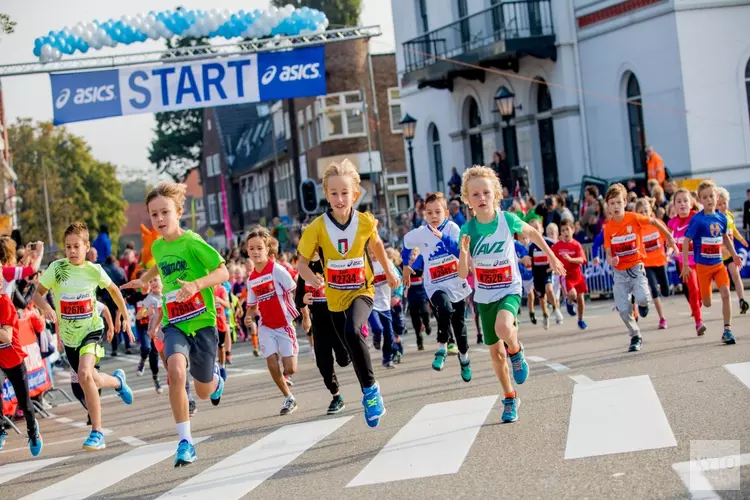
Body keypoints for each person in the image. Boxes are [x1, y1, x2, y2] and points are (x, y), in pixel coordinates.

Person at [122, 182, 228, 467]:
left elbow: (223, 270)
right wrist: (145, 279)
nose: (159, 220)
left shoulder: (193, 242)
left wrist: (196, 284)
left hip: (202, 322)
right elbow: (160, 261)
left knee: (204, 390)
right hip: (175, 323)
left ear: (179, 212)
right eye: (154, 214)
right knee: (176, 371)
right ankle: (185, 442)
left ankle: (216, 381)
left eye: (165, 212)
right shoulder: (157, 245)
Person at [458, 165, 564, 423]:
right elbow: (462, 273)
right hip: (484, 296)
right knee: (495, 354)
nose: (481, 198)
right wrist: (463, 253)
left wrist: (551, 257)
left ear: (496, 194)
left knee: (505, 327)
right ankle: (509, 396)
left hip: (508, 288)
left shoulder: (507, 220)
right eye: (475, 195)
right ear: (467, 200)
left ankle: (516, 351)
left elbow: (534, 234)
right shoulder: (467, 231)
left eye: (486, 192)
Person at [297, 159, 396, 428]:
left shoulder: (364, 222)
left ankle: (371, 392)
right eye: (333, 193)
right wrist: (313, 279)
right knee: (346, 353)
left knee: (353, 332)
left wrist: (390, 270)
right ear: (326, 195)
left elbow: (376, 245)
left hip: (362, 291)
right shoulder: (317, 227)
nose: (339, 199)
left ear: (354, 194)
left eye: (345, 193)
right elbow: (302, 264)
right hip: (334, 299)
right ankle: (365, 376)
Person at [32, 222, 134, 451]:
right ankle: (118, 381)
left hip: (92, 330)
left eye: (76, 246)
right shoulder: (57, 269)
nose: (72, 251)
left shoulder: (93, 270)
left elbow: (114, 291)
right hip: (70, 338)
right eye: (68, 247)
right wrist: (45, 307)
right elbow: (36, 295)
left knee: (85, 373)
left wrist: (124, 317)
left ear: (87, 246)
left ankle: (97, 432)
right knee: (91, 379)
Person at [401, 192, 472, 380]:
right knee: (445, 309)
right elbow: (406, 244)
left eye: (437, 212)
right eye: (429, 212)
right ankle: (441, 347)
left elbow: (459, 251)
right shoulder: (421, 232)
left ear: (446, 213)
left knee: (460, 327)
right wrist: (405, 265)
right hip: (435, 284)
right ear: (425, 214)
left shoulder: (453, 228)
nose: (433, 216)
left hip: (456, 282)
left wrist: (442, 237)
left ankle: (464, 359)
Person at [603, 184, 677, 352]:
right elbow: (608, 252)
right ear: (608, 206)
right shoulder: (608, 228)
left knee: (642, 298)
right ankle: (635, 335)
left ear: (625, 202)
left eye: (619, 203)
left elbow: (654, 222)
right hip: (620, 273)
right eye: (612, 203)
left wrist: (669, 238)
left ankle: (644, 304)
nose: (616, 206)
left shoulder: (634, 218)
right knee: (623, 309)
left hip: (636, 268)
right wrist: (611, 259)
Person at [243, 226, 300, 416]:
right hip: (266, 326)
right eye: (251, 248)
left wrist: (305, 315)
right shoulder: (252, 279)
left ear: (267, 249)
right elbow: (252, 306)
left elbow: (294, 289)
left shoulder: (277, 270)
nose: (255, 252)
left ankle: (290, 361)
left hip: (284, 325)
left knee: (290, 367)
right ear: (247, 250)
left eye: (259, 248)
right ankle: (288, 397)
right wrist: (249, 316)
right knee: (271, 363)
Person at [682, 181, 741, 344]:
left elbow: (725, 238)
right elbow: (687, 240)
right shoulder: (698, 220)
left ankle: (727, 329)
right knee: (707, 303)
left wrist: (734, 255)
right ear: (700, 200)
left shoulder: (721, 217)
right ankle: (703, 298)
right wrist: (686, 264)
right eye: (705, 197)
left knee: (726, 293)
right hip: (703, 267)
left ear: (717, 197)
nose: (709, 200)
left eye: (711, 196)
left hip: (719, 265)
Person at [0, 240, 42, 456]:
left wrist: (36, 255)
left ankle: (33, 430)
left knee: (25, 404)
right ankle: (0, 430)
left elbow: (6, 335)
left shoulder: (5, 303)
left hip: (13, 356)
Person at [296, 249, 350, 415]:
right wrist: (303, 300)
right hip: (319, 323)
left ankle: (349, 353)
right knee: (323, 363)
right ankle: (336, 396)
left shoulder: (333, 261)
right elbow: (298, 297)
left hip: (338, 319)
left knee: (343, 360)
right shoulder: (304, 268)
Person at [668, 188, 705, 335]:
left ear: (691, 203)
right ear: (674, 206)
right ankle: (698, 322)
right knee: (693, 289)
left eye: (685, 201)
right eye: (679, 201)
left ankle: (700, 300)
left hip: (701, 259)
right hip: (685, 262)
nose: (682, 204)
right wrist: (670, 251)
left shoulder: (697, 217)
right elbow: (669, 241)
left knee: (702, 290)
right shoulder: (672, 223)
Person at [634, 198, 671, 329]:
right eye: (641, 212)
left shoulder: (658, 223)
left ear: (651, 212)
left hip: (660, 262)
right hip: (647, 264)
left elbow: (669, 240)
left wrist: (669, 252)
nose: (644, 214)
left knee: (666, 292)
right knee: (654, 289)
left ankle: (656, 292)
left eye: (646, 211)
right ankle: (662, 318)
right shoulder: (637, 229)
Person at [716, 187, 749, 314]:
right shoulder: (715, 219)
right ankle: (726, 302)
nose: (722, 206)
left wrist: (741, 239)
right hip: (718, 255)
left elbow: (733, 230)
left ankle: (742, 300)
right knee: (724, 282)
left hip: (730, 254)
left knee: (736, 275)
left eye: (724, 203)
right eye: (719, 204)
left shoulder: (729, 215)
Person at [552, 220, 589, 330]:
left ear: (573, 230)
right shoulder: (557, 246)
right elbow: (551, 256)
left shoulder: (576, 245)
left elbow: (582, 259)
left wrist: (571, 259)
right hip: (566, 275)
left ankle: (581, 320)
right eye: (563, 230)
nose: (565, 232)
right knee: (572, 294)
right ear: (560, 233)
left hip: (577, 275)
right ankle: (568, 301)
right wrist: (552, 265)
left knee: (581, 299)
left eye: (567, 229)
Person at [527, 218, 563, 329]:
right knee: (542, 298)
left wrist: (553, 265)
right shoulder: (530, 246)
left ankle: (556, 309)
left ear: (542, 229)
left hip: (547, 272)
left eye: (537, 228)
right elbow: (528, 260)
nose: (535, 230)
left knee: (549, 288)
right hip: (536, 274)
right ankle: (545, 315)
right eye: (532, 228)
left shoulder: (549, 242)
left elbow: (559, 250)